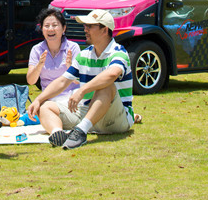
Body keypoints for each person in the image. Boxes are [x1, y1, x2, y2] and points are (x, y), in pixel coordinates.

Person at [27, 9, 134, 150]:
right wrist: (38, 100)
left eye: (89, 26)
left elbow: (111, 75)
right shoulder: (84, 55)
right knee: (45, 106)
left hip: (115, 118)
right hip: (87, 112)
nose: (85, 29)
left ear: (104, 30)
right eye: (85, 26)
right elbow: (62, 81)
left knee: (107, 86)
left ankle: (80, 132)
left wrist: (82, 90)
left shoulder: (119, 52)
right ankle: (58, 134)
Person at [26, 8, 81, 102]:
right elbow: (31, 81)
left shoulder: (73, 48)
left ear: (63, 28)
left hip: (70, 98)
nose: (50, 29)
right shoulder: (37, 50)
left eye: (55, 25)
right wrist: (39, 66)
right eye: (46, 26)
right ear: (42, 29)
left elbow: (79, 81)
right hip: (48, 99)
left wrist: (70, 67)